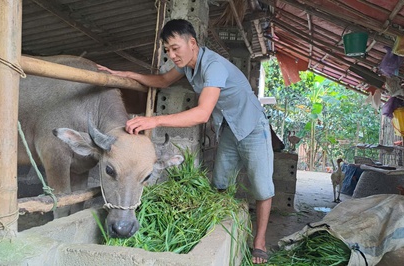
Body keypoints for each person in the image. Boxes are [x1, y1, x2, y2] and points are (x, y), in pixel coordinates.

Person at [97, 19, 274, 264]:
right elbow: (162, 81)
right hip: (229, 127)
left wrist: (154, 121)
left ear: (192, 43)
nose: (171, 55)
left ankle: (260, 243)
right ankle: (220, 227)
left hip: (253, 126)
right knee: (220, 183)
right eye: (167, 50)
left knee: (261, 186)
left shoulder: (213, 66)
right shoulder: (188, 65)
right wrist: (125, 74)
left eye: (175, 48)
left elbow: (202, 114)